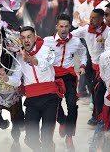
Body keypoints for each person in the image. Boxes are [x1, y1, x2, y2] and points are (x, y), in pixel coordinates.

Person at [3, 26, 60, 152]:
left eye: (29, 37)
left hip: (50, 97)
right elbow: (17, 80)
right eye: (23, 38)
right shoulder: (18, 57)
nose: (26, 40)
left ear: (35, 37)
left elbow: (47, 63)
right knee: (31, 138)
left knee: (46, 137)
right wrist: (5, 77)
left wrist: (31, 59)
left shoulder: (47, 49)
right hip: (32, 100)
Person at [43, 13, 87, 152]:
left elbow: (84, 52)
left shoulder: (76, 41)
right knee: (55, 107)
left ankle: (69, 136)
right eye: (61, 26)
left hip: (68, 76)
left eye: (66, 26)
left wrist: (82, 66)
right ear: (56, 26)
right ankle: (62, 122)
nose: (63, 29)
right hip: (52, 76)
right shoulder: (46, 41)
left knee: (72, 105)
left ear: (70, 27)